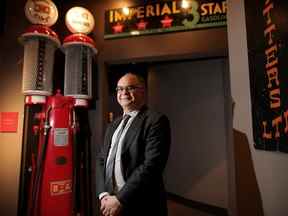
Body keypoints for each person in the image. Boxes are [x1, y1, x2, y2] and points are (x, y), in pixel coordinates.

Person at [96, 72, 171, 216]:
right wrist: (103, 194)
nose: (123, 92)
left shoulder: (155, 120)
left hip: (141, 204)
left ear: (142, 91)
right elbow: (101, 159)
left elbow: (152, 165)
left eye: (130, 88)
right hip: (110, 201)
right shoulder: (114, 124)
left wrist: (120, 199)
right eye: (119, 89)